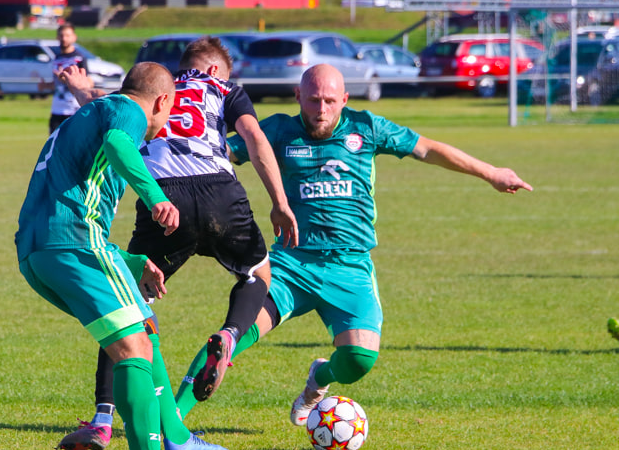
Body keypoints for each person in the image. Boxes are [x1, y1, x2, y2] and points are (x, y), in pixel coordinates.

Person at [172, 63, 533, 423]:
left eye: (330, 101)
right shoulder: (278, 130)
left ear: (345, 99)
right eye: (313, 100)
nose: (322, 110)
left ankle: (320, 378)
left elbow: (428, 149)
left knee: (359, 360)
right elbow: (217, 154)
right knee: (233, 335)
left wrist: (491, 173)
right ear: (298, 96)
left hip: (349, 265)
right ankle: (170, 421)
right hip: (289, 265)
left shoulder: (367, 127)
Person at [54, 36, 297, 450]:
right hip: (219, 190)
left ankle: (102, 419)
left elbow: (99, 102)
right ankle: (229, 334)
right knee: (257, 273)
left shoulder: (154, 93)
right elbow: (255, 139)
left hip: (162, 196)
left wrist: (78, 85)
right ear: (217, 70)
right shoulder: (223, 89)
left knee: (122, 304)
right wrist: (279, 202)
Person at [15, 61, 230, 450]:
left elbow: (75, 194)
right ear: (163, 101)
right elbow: (118, 142)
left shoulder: (94, 111)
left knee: (143, 327)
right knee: (133, 347)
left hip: (39, 249)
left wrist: (131, 264)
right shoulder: (130, 113)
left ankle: (176, 438)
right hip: (73, 243)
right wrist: (156, 197)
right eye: (168, 114)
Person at [49, 23, 88, 133]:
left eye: (67, 35)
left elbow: (86, 82)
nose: (64, 38)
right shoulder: (56, 58)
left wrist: (66, 79)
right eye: (61, 35)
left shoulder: (79, 58)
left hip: (73, 108)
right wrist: (45, 85)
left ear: (74, 37)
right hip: (57, 108)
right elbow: (56, 83)